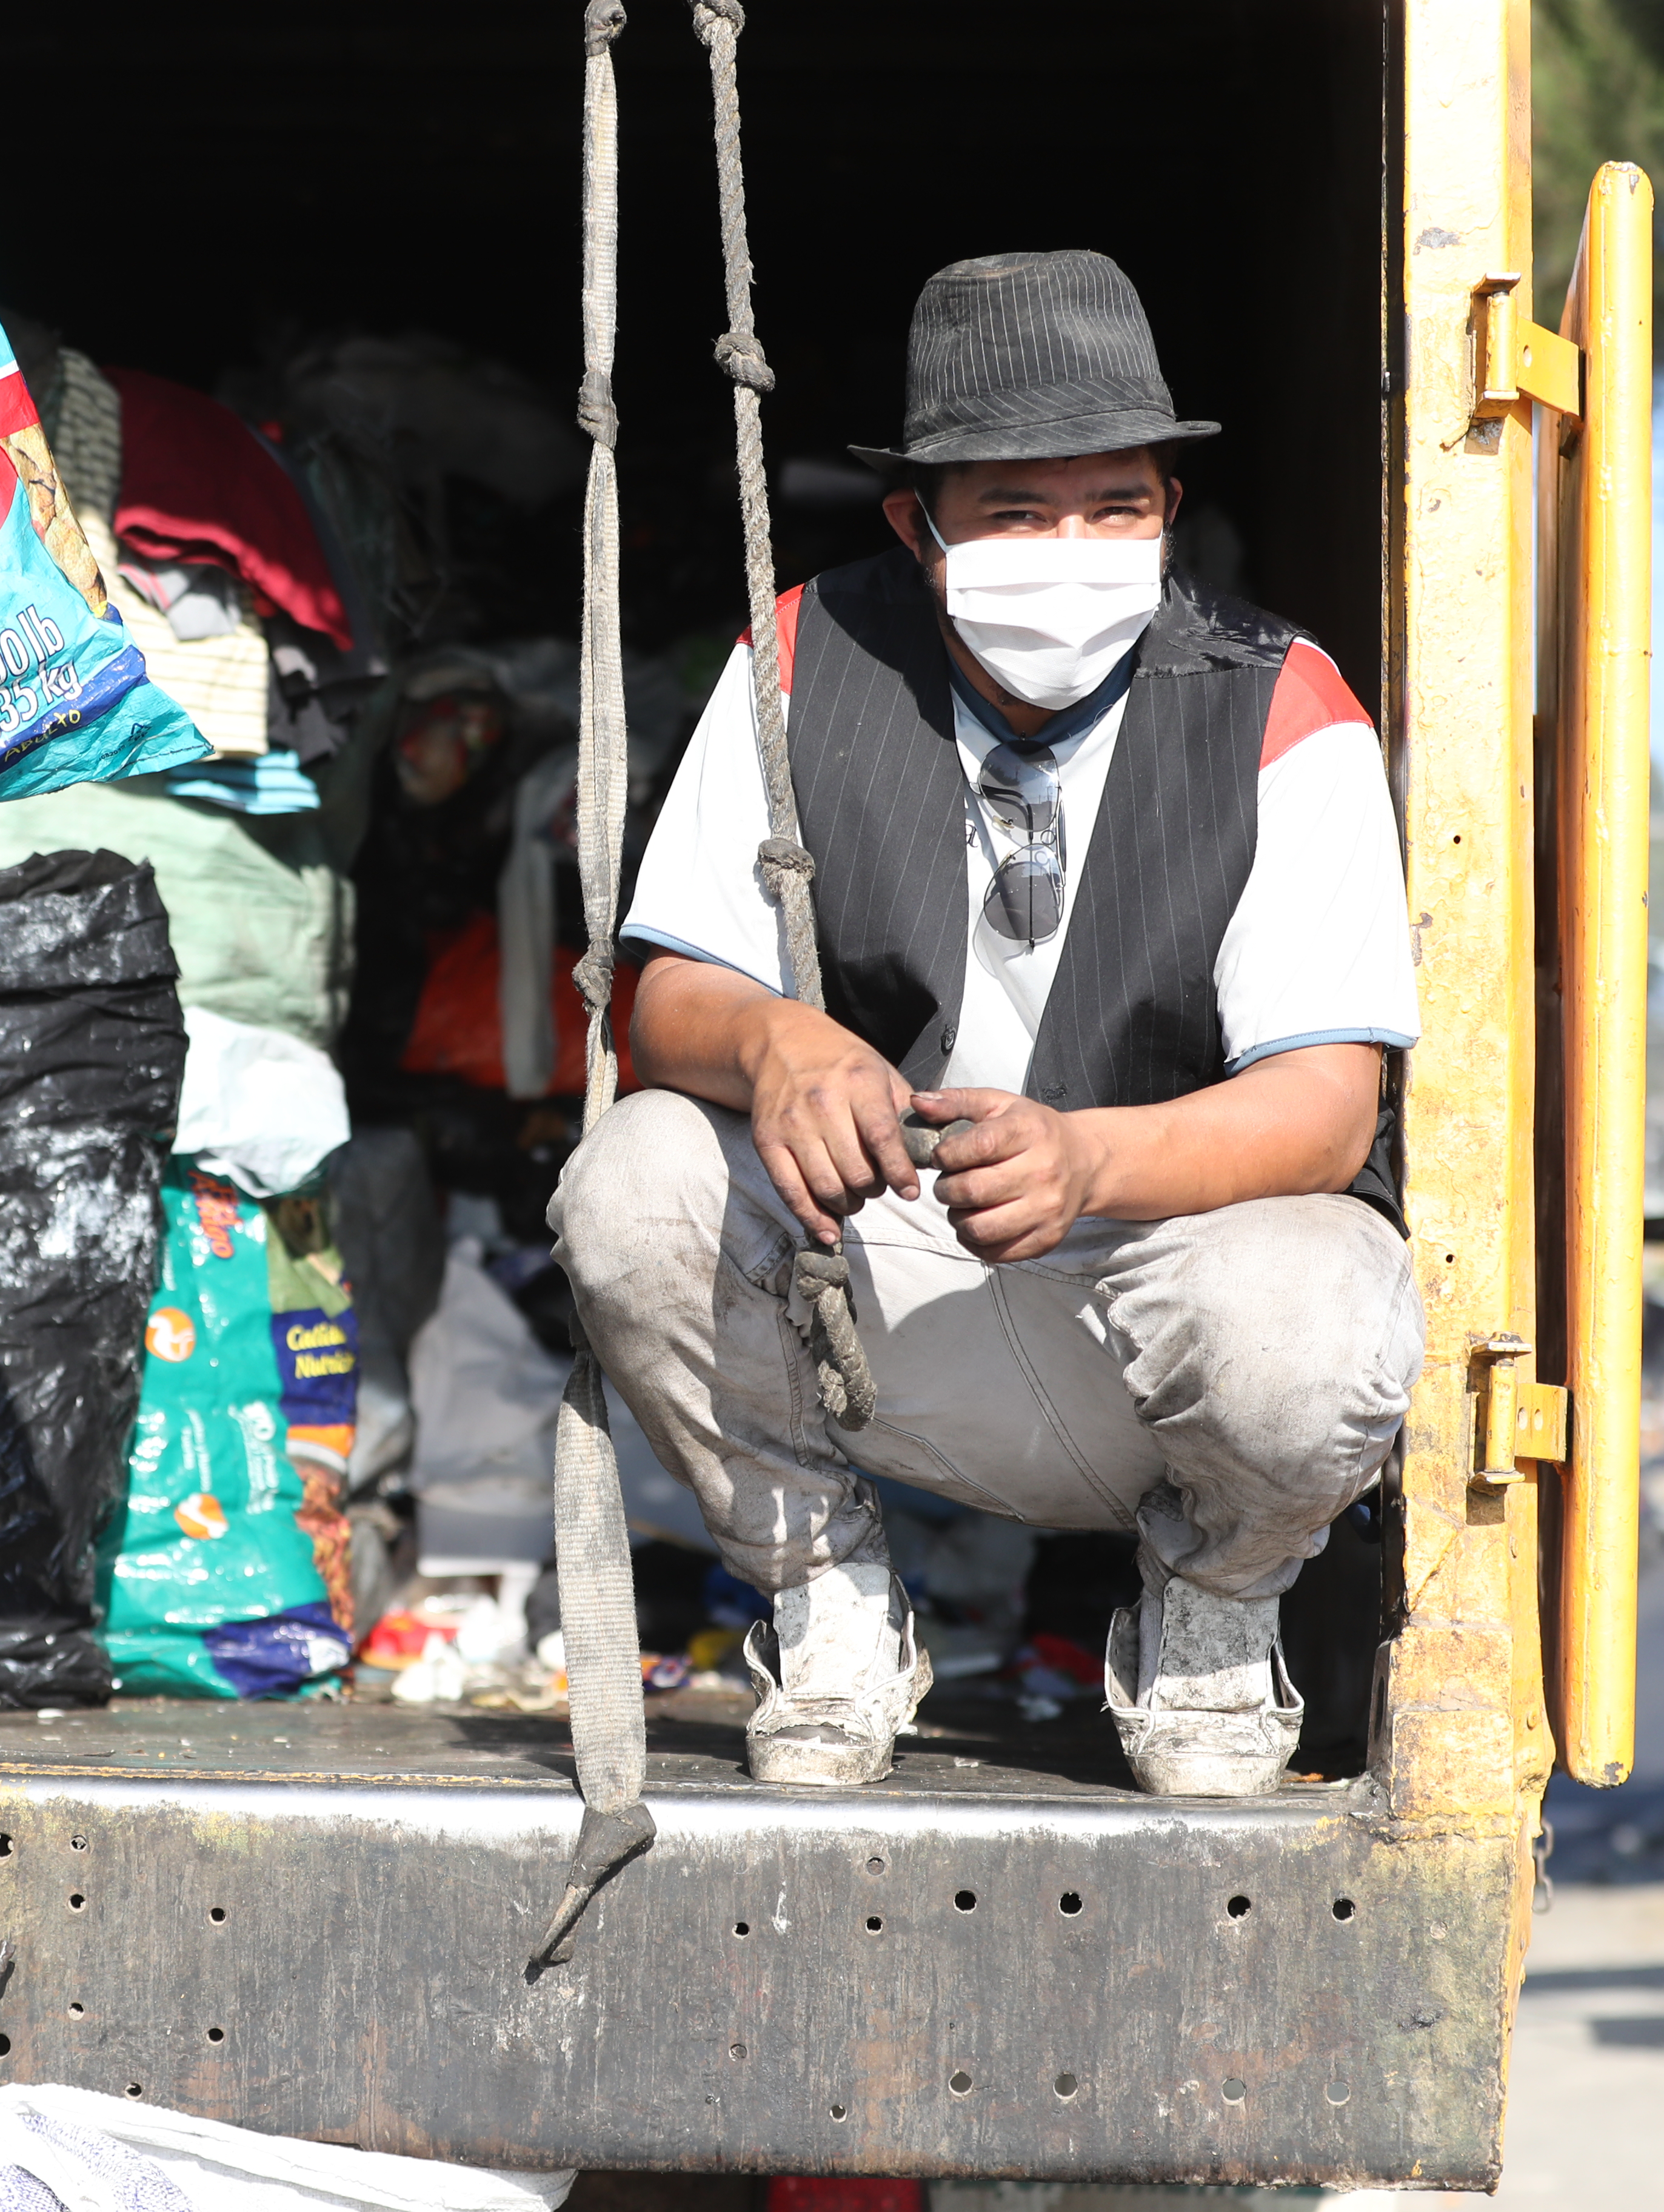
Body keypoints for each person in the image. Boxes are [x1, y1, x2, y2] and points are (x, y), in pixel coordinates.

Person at [549, 250, 1425, 1796]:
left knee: (1320, 1297)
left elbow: (1326, 1105)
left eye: (1116, 508)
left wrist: (1091, 1164)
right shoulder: (798, 657)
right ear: (920, 525)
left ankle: (1217, 1609)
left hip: (1161, 1296)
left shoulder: (1284, 703)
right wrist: (776, 1044)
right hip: (880, 1293)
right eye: (1018, 512)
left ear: (1170, 508)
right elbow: (664, 996)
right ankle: (824, 1600)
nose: (1073, 551)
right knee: (630, 1181)